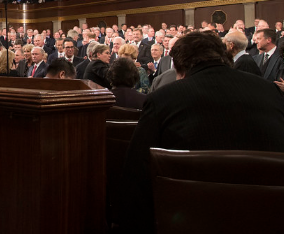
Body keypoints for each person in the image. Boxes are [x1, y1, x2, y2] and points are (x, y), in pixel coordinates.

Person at [120, 31, 284, 233]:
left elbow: (136, 171)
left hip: (190, 219)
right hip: (269, 216)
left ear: (179, 69)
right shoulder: (271, 91)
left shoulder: (163, 98)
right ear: (226, 56)